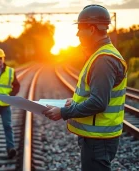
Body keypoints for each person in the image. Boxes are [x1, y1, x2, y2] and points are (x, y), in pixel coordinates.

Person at [43, 4, 127, 171]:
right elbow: (95, 94)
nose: (77, 34)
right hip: (97, 138)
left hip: (99, 139)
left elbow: (98, 102)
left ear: (92, 29)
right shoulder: (100, 55)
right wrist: (73, 101)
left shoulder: (103, 60)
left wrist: (64, 112)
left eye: (80, 28)